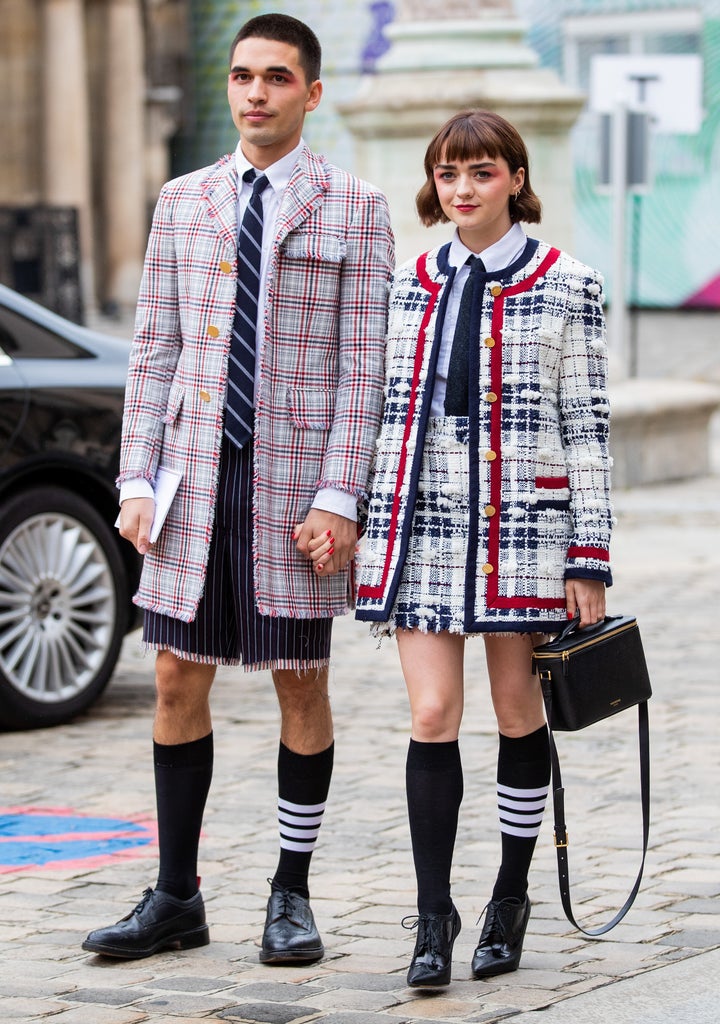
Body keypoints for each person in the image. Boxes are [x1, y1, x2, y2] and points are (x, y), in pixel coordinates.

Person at [82, 13, 393, 964]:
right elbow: (156, 350)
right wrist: (137, 478)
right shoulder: (182, 201)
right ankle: (176, 894)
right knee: (177, 675)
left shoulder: (355, 206)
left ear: (312, 92)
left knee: (302, 680)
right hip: (191, 487)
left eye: (277, 77)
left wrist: (341, 499)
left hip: (295, 497)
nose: (255, 92)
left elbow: (363, 370)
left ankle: (290, 895)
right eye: (243, 75)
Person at [328, 109, 611, 986]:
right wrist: (352, 511)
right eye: (449, 174)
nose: (463, 189)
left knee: (518, 711)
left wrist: (589, 555)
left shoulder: (570, 283)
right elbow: (380, 411)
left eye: (481, 173)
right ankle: (432, 915)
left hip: (523, 529)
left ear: (515, 181)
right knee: (429, 717)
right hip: (422, 527)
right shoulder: (406, 283)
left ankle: (511, 894)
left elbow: (588, 426)